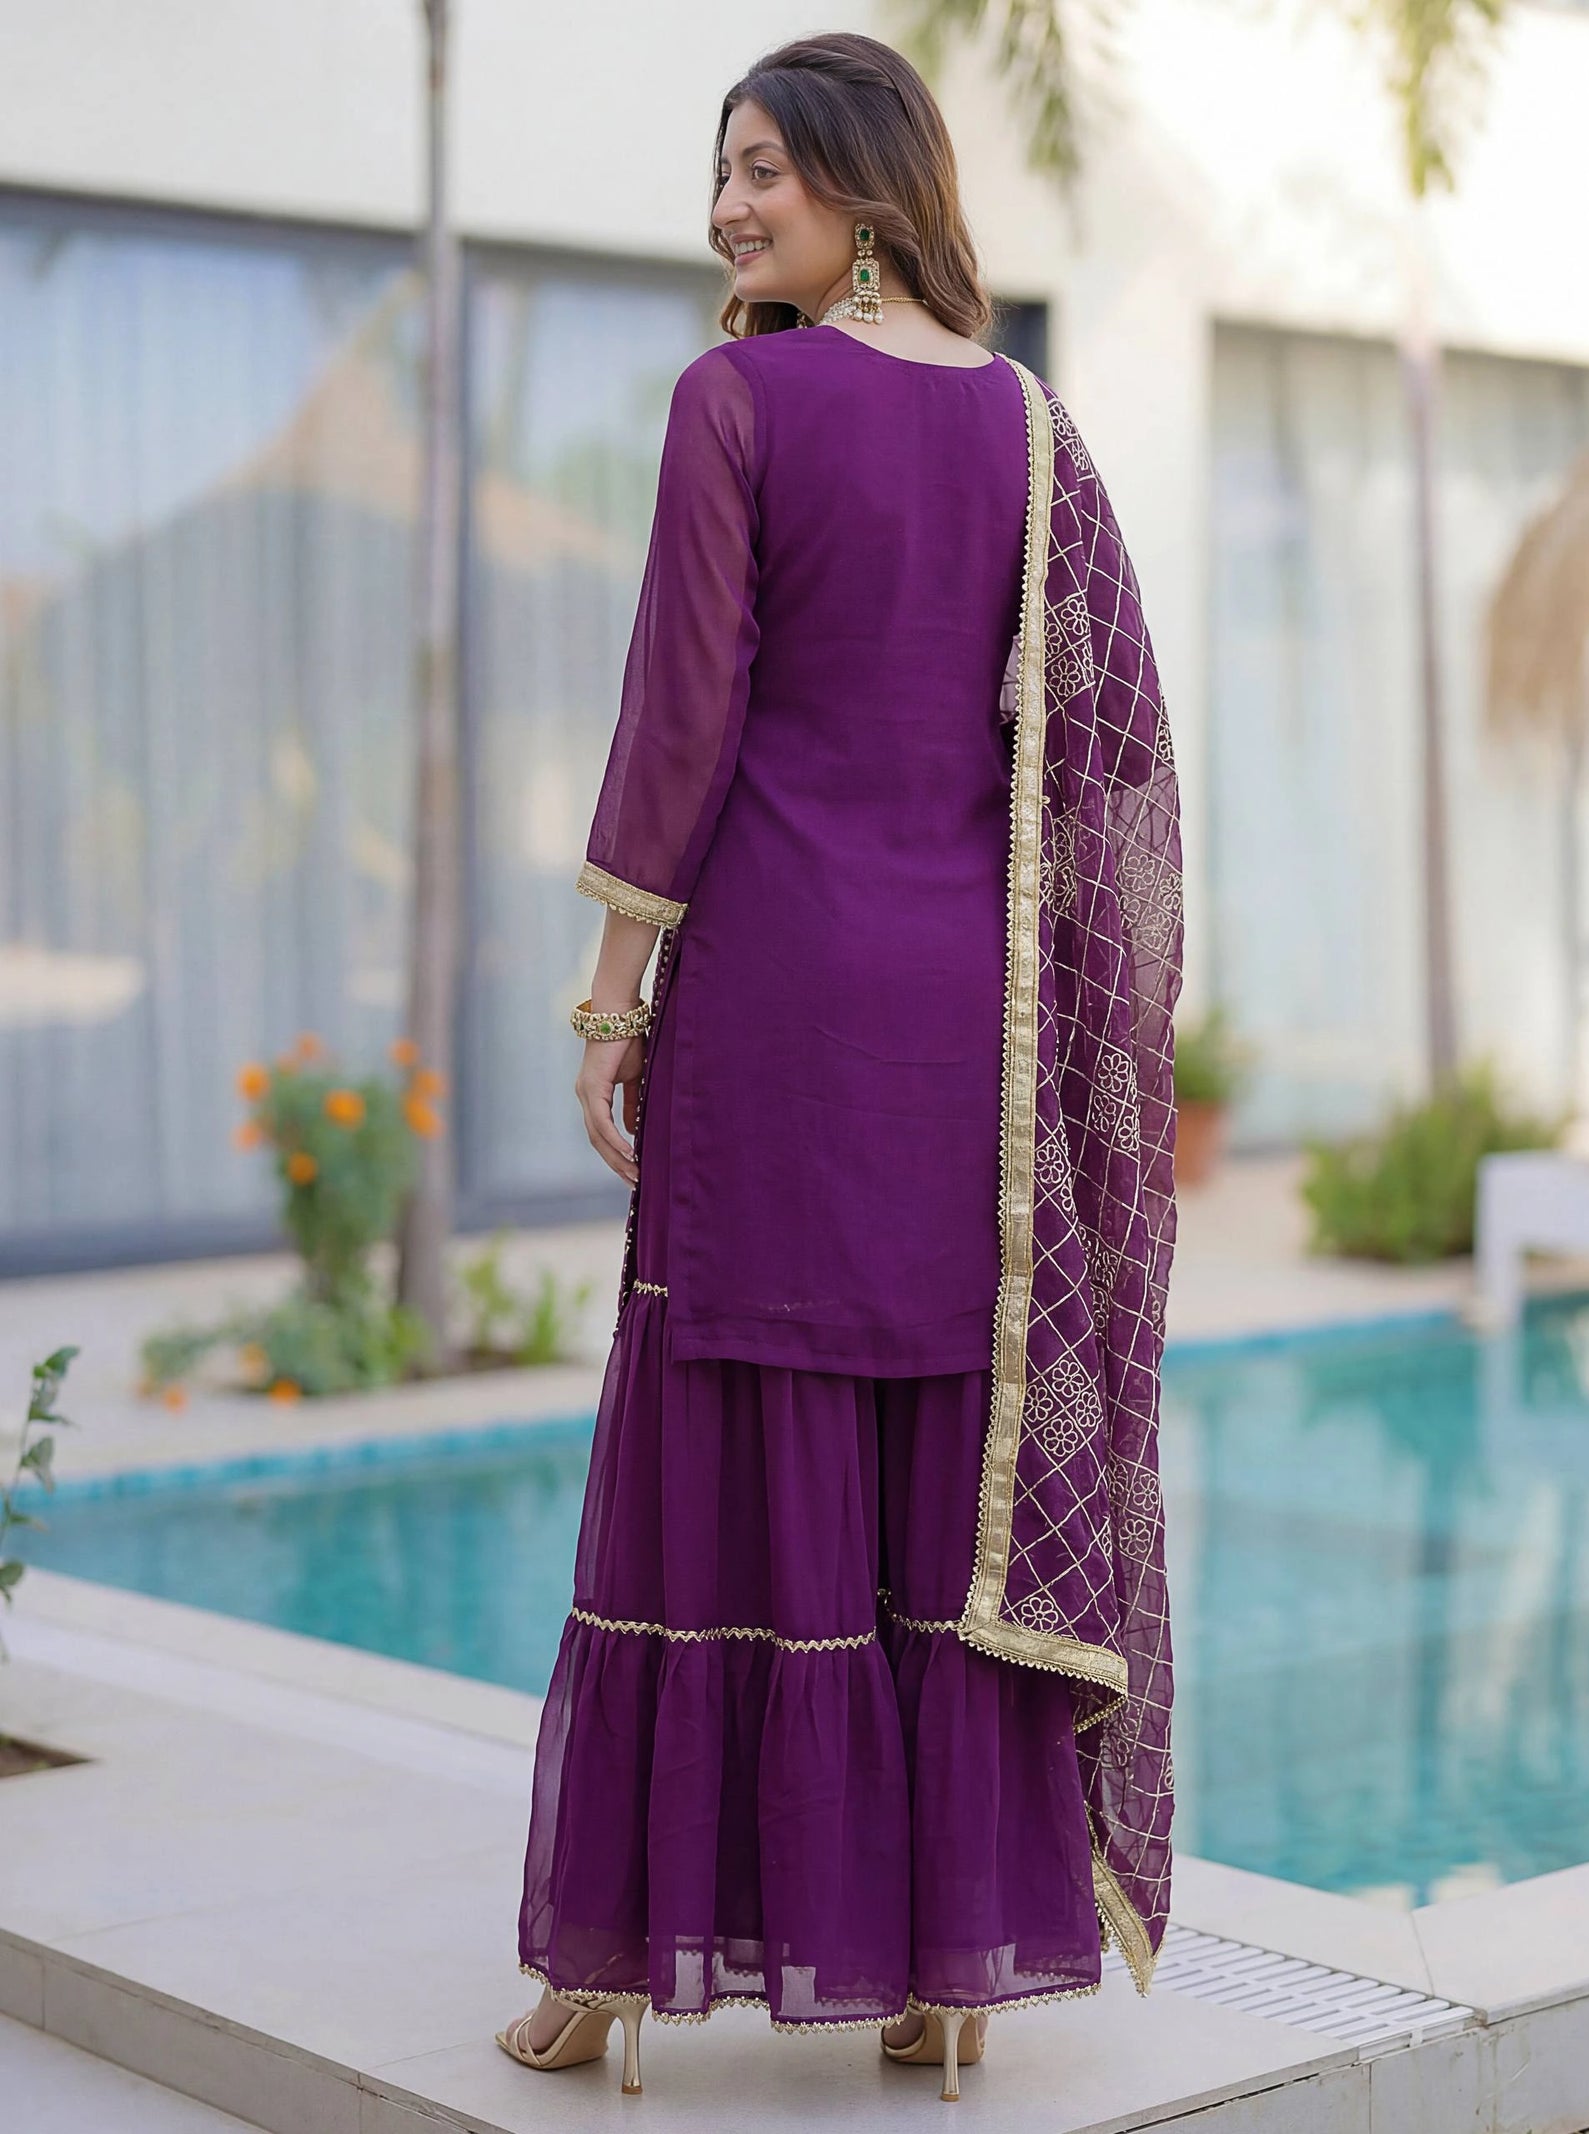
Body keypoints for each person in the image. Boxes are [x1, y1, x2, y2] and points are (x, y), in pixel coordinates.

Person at [498, 30, 1183, 2105]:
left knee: (712, 1461)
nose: (729, 211)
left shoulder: (736, 402)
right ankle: (933, 1976)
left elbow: (675, 723)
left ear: (865, 189)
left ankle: (604, 1971)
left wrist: (610, 995)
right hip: (958, 1041)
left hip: (778, 1007)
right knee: (932, 1468)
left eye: (763, 171)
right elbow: (1086, 775)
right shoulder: (1033, 431)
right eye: (720, 175)